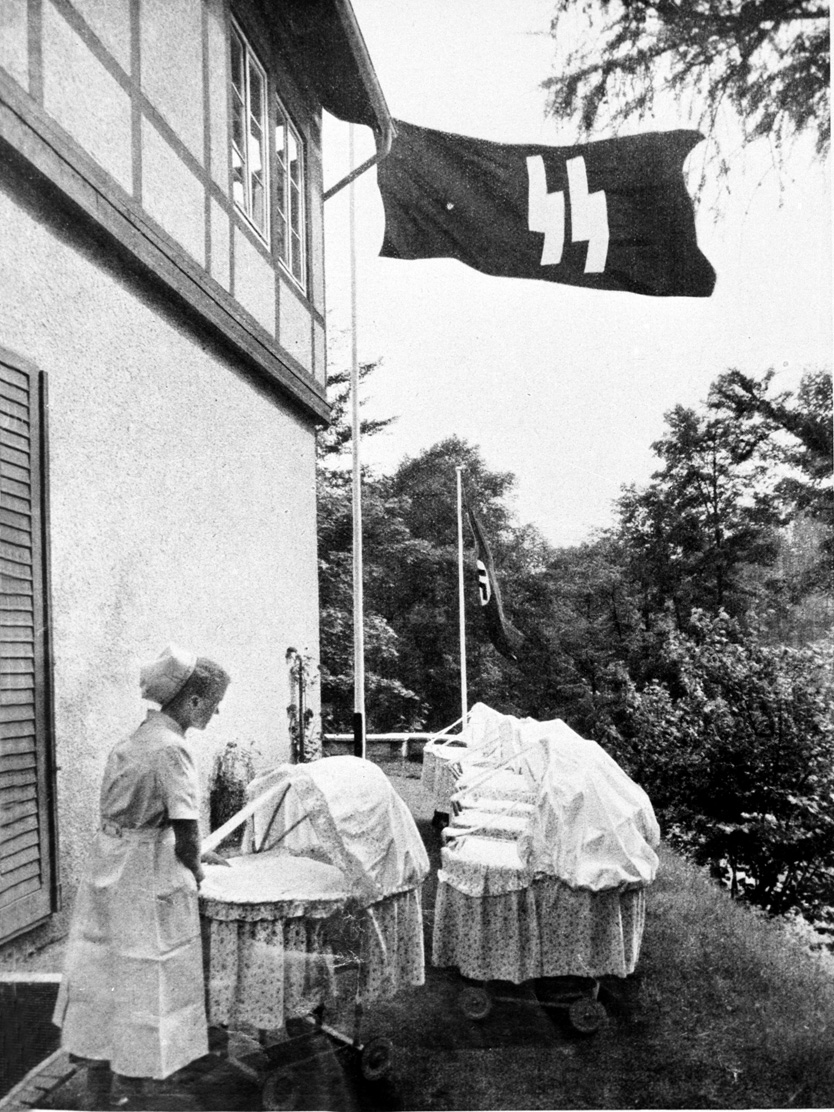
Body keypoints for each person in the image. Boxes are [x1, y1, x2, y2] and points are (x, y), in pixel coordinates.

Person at [52, 645, 231, 1109]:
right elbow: (186, 832)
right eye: (213, 704)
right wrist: (195, 867)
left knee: (101, 972)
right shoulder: (174, 749)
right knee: (148, 975)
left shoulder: (133, 739)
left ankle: (100, 1089)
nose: (215, 711)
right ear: (192, 703)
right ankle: (142, 1084)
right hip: (141, 873)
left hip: (107, 863)